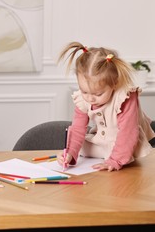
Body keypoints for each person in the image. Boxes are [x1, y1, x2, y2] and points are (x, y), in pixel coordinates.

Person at [57, 42, 155, 172]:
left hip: (127, 142)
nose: (90, 98)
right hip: (103, 141)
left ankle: (117, 156)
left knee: (121, 150)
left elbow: (128, 131)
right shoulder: (82, 98)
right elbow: (78, 128)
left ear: (114, 83)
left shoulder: (125, 97)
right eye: (84, 91)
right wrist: (69, 153)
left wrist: (115, 160)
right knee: (79, 146)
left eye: (98, 94)